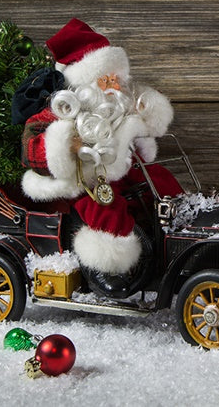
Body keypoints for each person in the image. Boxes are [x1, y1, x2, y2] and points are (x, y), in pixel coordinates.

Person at [20, 18, 181, 295]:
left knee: (161, 180)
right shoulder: (62, 110)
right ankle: (111, 268)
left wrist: (142, 128)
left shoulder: (120, 104)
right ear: (84, 83)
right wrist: (62, 144)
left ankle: (178, 229)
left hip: (123, 170)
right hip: (85, 180)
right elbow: (31, 148)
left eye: (116, 78)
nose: (113, 85)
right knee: (104, 208)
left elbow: (139, 125)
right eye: (105, 79)